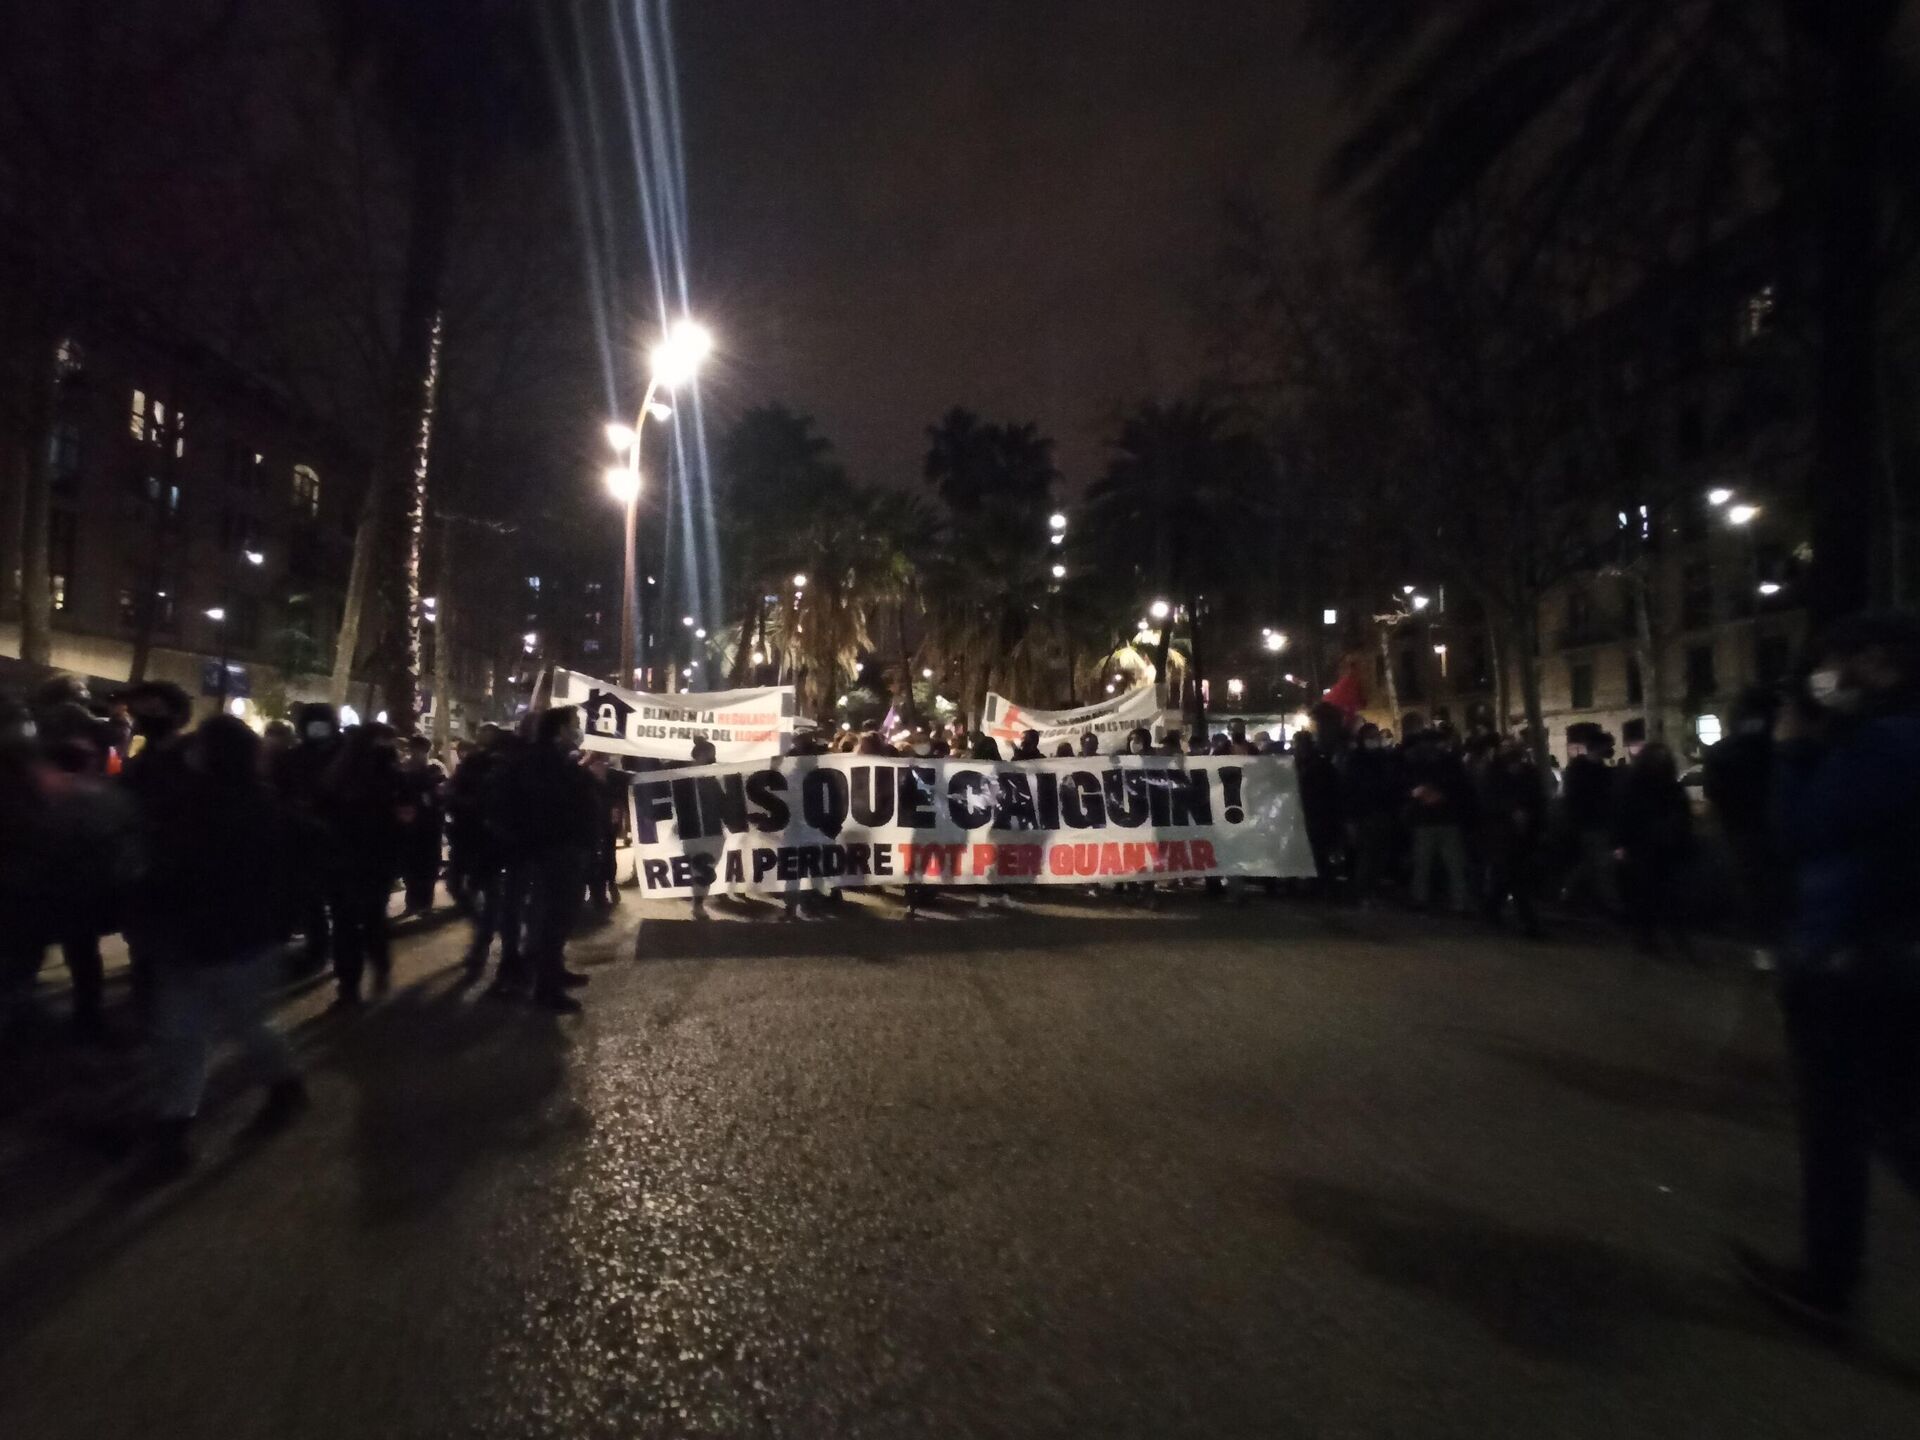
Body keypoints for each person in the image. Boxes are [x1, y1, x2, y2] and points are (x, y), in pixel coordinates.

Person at [1733, 616, 1920, 1332]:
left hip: (1847, 955)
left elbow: (1803, 831)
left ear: (1877, 663)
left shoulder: (1882, 744)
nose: (1826, 675)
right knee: (1890, 1120)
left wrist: (1793, 753)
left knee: (1847, 1127)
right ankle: (1826, 1272)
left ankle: (1826, 1277)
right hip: (1889, 954)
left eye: (1837, 660)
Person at [141, 716, 311, 1178]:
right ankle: (174, 1127)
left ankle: (284, 1084)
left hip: (234, 940)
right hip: (209, 938)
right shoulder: (212, 803)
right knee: (184, 1035)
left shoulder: (248, 807)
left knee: (238, 1027)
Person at [503, 706, 600, 1010]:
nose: (578, 729)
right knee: (554, 918)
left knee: (561, 915)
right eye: (574, 724)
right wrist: (588, 777)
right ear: (560, 730)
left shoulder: (552, 758)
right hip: (556, 849)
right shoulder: (545, 759)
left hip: (562, 847)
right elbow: (557, 801)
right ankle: (547, 989)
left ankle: (554, 972)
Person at [320, 723, 405, 1005]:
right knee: (372, 918)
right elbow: (404, 818)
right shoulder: (390, 776)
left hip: (343, 860)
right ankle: (378, 967)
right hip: (376, 859)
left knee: (346, 923)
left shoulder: (337, 774)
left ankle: (348, 986)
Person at [1704, 688, 1784, 967]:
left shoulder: (1721, 752)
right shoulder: (1780, 748)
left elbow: (1713, 793)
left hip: (1739, 830)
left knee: (1752, 887)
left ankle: (1764, 947)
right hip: (1775, 827)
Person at [1611, 741, 1693, 955]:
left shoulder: (1664, 786)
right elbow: (1625, 815)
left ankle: (1668, 937)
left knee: (1664, 895)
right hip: (1646, 848)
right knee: (1650, 895)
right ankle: (1653, 938)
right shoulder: (1638, 785)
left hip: (1659, 847)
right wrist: (1622, 844)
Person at [1478, 739, 1545, 936]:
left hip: (1523, 834)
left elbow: (1538, 800)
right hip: (1501, 833)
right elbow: (1488, 801)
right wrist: (1511, 811)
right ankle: (1528, 921)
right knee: (1514, 877)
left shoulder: (1529, 773)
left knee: (1505, 877)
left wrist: (1532, 820)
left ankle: (1491, 910)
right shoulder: (1493, 773)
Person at [1403, 730, 1473, 913]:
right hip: (1430, 819)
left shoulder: (1447, 763)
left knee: (1451, 864)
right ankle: (1427, 898)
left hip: (1442, 818)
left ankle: (1455, 901)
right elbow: (1406, 786)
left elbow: (1461, 788)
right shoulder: (1417, 763)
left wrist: (1441, 795)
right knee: (1426, 863)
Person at [1342, 723, 1402, 905]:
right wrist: (1350, 819)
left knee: (1380, 855)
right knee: (1366, 855)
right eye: (1370, 736)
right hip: (1364, 815)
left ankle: (1372, 889)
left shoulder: (1384, 758)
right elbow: (1349, 790)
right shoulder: (1355, 759)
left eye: (1376, 736)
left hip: (1383, 812)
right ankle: (1363, 892)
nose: (1374, 739)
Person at [1559, 735, 1618, 913]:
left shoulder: (1594, 769)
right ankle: (1610, 903)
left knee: (1592, 863)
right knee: (1600, 864)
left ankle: (1568, 893)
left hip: (1594, 822)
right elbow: (1577, 798)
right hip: (1588, 822)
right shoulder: (1582, 770)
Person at [397, 734, 446, 915]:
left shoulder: (434, 769)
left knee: (427, 865)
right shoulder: (405, 769)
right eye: (414, 749)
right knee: (411, 865)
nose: (417, 753)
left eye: (421, 749)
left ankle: (424, 903)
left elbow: (440, 795)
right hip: (411, 824)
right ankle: (412, 902)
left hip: (430, 824)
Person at [1292, 729, 1343, 895]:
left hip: (1318, 815)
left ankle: (1320, 885)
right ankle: (1314, 884)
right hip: (1306, 814)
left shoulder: (1319, 764)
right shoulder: (1297, 763)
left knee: (1318, 852)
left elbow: (1331, 790)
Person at [583, 750, 627, 908]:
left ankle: (608, 886)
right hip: (590, 824)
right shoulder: (583, 774)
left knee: (608, 855)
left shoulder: (615, 776)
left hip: (606, 823)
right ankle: (598, 894)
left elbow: (620, 800)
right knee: (594, 858)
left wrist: (621, 822)